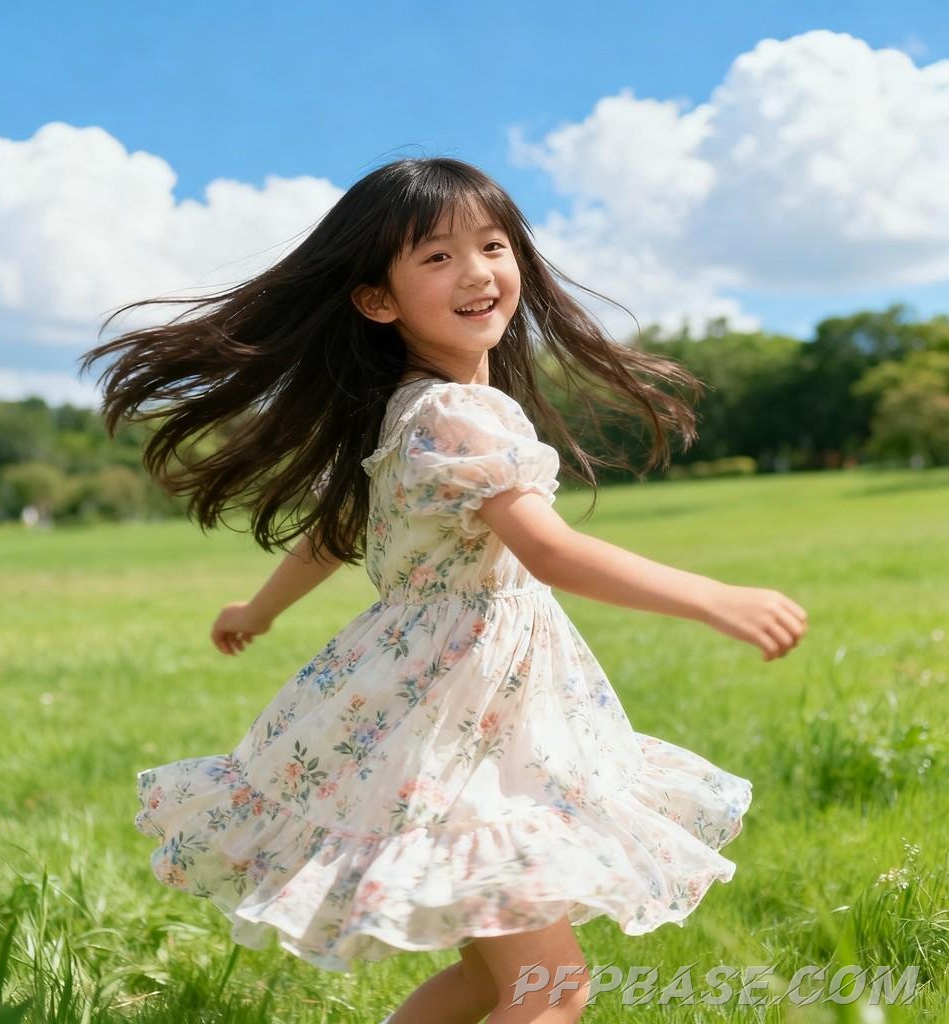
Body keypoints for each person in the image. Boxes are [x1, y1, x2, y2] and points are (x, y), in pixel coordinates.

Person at [79, 156, 807, 1023]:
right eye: (436, 256)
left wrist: (258, 611)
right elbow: (552, 553)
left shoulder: (404, 407)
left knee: (489, 980)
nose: (476, 271)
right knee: (552, 990)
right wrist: (712, 597)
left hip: (453, 716)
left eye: (493, 245)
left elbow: (335, 533)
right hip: (465, 727)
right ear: (377, 300)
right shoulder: (457, 414)